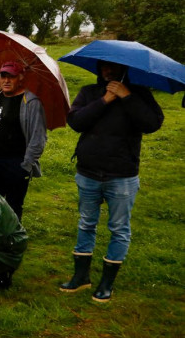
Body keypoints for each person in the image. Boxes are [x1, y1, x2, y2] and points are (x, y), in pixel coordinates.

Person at [60, 60, 164, 302]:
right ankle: (81, 277)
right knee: (86, 223)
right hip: (88, 173)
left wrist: (127, 97)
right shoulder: (89, 92)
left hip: (122, 175)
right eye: (104, 67)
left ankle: (106, 283)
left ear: (123, 69)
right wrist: (105, 100)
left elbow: (152, 124)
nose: (108, 71)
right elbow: (75, 122)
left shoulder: (139, 93)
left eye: (113, 67)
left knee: (119, 229)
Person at [0, 60, 46, 220]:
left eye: (11, 77)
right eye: (3, 76)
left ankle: (12, 240)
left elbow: (38, 139)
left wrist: (25, 166)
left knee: (13, 205)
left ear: (20, 78)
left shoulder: (31, 102)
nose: (6, 81)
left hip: (16, 163)